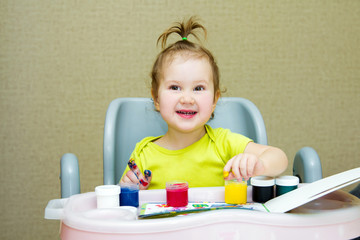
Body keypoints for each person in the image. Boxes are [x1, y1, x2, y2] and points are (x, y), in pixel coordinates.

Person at [120, 16, 288, 190]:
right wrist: (129, 189)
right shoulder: (144, 153)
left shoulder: (224, 144)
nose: (187, 98)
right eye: (175, 87)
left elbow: (279, 158)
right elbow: (122, 205)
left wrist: (258, 164)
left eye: (198, 88)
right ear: (156, 98)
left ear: (215, 99)